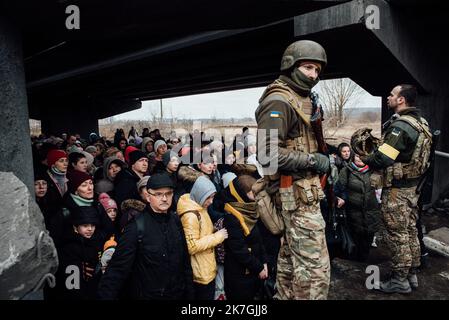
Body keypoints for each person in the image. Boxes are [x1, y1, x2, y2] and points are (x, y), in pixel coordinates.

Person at [255, 40, 331, 300]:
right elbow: (267, 154)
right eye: (308, 67)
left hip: (303, 196)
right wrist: (313, 161)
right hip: (295, 197)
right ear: (290, 65)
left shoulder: (302, 98)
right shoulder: (279, 101)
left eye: (317, 70)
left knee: (289, 268)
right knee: (314, 276)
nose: (313, 75)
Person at [359, 84, 432, 293]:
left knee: (396, 235)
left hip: (397, 192)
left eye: (392, 95)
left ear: (401, 100)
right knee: (410, 232)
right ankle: (411, 275)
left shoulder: (401, 127)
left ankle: (399, 280)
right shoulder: (421, 123)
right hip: (412, 190)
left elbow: (383, 157)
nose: (389, 97)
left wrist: (365, 158)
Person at [97, 173, 194, 300]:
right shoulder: (136, 226)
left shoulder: (175, 221)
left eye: (168, 193)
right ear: (148, 197)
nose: (165, 198)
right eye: (158, 194)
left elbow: (185, 262)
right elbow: (118, 269)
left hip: (177, 293)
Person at [177, 176, 228, 300]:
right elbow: (191, 246)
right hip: (200, 271)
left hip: (206, 265)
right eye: (208, 197)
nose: (211, 201)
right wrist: (217, 237)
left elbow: (202, 233)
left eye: (212, 197)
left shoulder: (201, 207)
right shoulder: (191, 215)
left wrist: (214, 231)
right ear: (200, 195)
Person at [222, 175, 268, 300]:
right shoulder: (231, 217)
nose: (255, 196)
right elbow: (239, 250)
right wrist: (258, 267)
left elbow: (258, 239)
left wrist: (264, 261)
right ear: (240, 194)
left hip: (253, 271)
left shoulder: (249, 210)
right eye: (251, 193)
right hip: (240, 276)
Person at [335, 154, 381, 262]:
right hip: (353, 213)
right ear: (353, 157)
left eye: (363, 156)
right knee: (356, 237)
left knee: (368, 237)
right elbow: (339, 189)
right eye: (357, 156)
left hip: (371, 212)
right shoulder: (346, 171)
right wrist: (341, 198)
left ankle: (363, 259)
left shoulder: (374, 171)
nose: (360, 158)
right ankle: (354, 260)